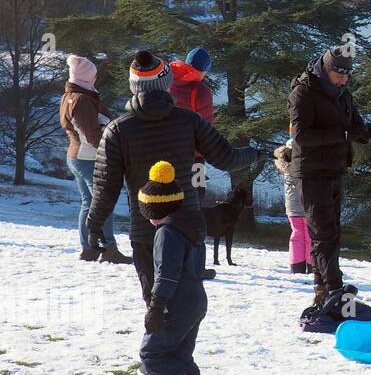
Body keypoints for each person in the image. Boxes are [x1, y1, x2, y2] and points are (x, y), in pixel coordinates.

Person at [87, 50, 262, 303]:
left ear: (133, 86)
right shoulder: (189, 121)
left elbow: (106, 187)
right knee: (186, 306)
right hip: (187, 226)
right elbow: (227, 158)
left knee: (156, 305)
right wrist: (258, 153)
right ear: (166, 83)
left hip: (145, 228)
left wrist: (94, 226)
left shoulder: (117, 130)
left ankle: (157, 336)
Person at [287, 47, 371, 308]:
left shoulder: (343, 93)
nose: (345, 79)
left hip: (336, 169)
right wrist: (342, 136)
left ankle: (323, 290)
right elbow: (301, 136)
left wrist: (363, 132)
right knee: (323, 232)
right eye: (341, 74)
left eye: (349, 74)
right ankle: (333, 287)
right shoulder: (302, 92)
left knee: (330, 232)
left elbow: (352, 125)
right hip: (312, 172)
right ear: (326, 69)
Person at [136, 160, 208, 375]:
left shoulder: (166, 233)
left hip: (176, 302)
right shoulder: (191, 225)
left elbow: (166, 274)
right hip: (196, 299)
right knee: (180, 352)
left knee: (151, 353)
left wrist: (156, 307)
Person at [59, 55, 130, 264]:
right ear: (87, 77)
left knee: (88, 202)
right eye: (94, 74)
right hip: (87, 157)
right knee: (103, 202)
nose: (96, 77)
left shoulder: (69, 96)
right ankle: (109, 248)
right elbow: (91, 135)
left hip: (76, 156)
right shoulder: (82, 99)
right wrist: (116, 149)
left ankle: (88, 248)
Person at [170, 48, 215, 204]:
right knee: (197, 195)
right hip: (194, 155)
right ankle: (192, 228)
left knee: (169, 197)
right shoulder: (201, 91)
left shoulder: (167, 82)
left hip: (166, 150)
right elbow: (206, 128)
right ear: (203, 70)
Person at [272, 144, 312, 275]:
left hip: (292, 208)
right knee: (309, 236)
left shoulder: (285, 169)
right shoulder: (303, 167)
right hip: (307, 205)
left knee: (296, 236)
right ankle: (311, 265)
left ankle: (297, 266)